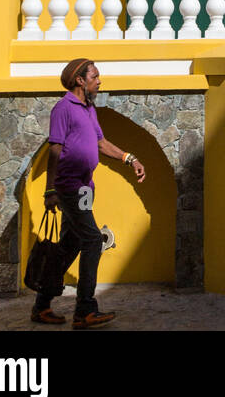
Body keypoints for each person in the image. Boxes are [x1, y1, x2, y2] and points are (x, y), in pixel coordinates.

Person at [30, 59, 146, 328]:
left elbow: (100, 143)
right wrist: (50, 189)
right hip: (69, 186)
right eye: (95, 76)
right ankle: (84, 311)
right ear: (80, 80)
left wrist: (130, 159)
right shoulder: (63, 109)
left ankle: (42, 306)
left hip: (85, 188)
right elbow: (55, 149)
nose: (99, 80)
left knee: (70, 245)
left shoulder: (88, 109)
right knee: (93, 240)